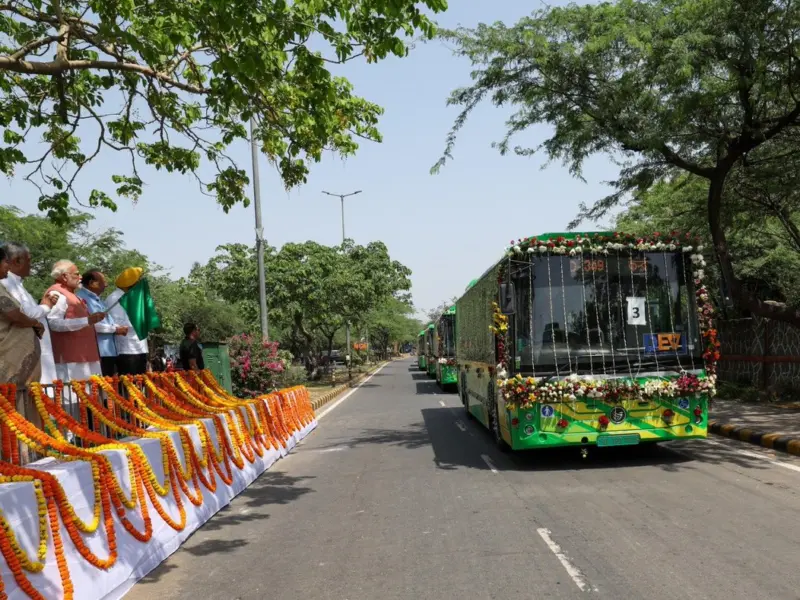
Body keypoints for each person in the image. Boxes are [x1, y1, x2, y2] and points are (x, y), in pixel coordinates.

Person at [1, 242, 59, 384]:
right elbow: (18, 314)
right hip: (12, 352)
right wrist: (45, 307)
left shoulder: (14, 283)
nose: (7, 267)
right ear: (18, 261)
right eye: (5, 262)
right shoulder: (6, 283)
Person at [45, 260, 105, 382]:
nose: (80, 277)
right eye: (76, 274)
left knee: (91, 395)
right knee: (74, 397)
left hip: (86, 355)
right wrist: (87, 320)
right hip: (70, 358)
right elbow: (54, 324)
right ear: (65, 276)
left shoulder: (72, 294)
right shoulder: (57, 293)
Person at [0, 247, 44, 385]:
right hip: (6, 353)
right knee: (10, 396)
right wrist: (35, 323)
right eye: (6, 262)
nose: (9, 266)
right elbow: (14, 315)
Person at [76, 270, 128, 377]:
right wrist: (115, 330)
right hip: (97, 351)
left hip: (108, 351)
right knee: (99, 386)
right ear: (92, 283)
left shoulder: (98, 299)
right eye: (103, 281)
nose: (106, 285)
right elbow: (89, 324)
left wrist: (117, 327)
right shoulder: (80, 299)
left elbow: (107, 321)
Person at [106, 268, 150, 375]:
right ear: (131, 282)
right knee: (129, 385)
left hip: (138, 347)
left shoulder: (132, 296)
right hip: (128, 349)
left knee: (140, 384)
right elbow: (117, 323)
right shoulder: (115, 298)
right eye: (138, 280)